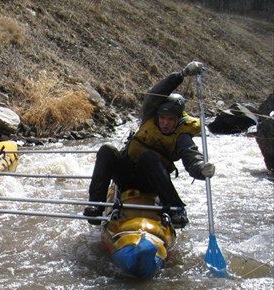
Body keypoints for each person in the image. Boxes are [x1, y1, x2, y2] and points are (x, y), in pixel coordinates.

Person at [83, 61, 215, 228]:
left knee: (148, 157)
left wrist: (201, 168)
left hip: (152, 181)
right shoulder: (149, 119)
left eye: (170, 120)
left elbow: (191, 156)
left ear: (178, 119)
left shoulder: (182, 135)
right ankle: (96, 205)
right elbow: (154, 95)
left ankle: (175, 208)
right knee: (107, 149)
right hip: (126, 175)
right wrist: (181, 75)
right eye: (162, 118)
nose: (165, 123)